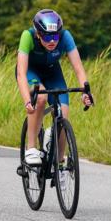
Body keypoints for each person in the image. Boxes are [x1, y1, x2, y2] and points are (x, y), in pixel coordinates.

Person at [15, 9, 93, 174]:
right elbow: (21, 73)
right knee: (41, 98)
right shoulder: (27, 36)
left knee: (63, 115)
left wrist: (85, 91)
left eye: (55, 36)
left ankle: (59, 164)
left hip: (52, 72)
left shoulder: (66, 37)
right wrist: (27, 101)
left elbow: (79, 69)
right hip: (31, 72)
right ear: (38, 33)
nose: (52, 41)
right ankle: (31, 148)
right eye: (47, 37)